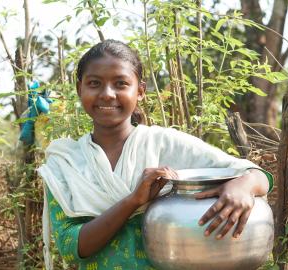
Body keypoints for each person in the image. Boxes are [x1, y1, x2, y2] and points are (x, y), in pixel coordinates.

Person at [38, 39, 274, 270]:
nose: (107, 94)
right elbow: (71, 247)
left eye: (120, 83)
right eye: (94, 83)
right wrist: (132, 202)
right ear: (80, 89)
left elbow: (258, 176)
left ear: (140, 91)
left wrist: (244, 186)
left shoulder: (165, 144)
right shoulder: (66, 163)